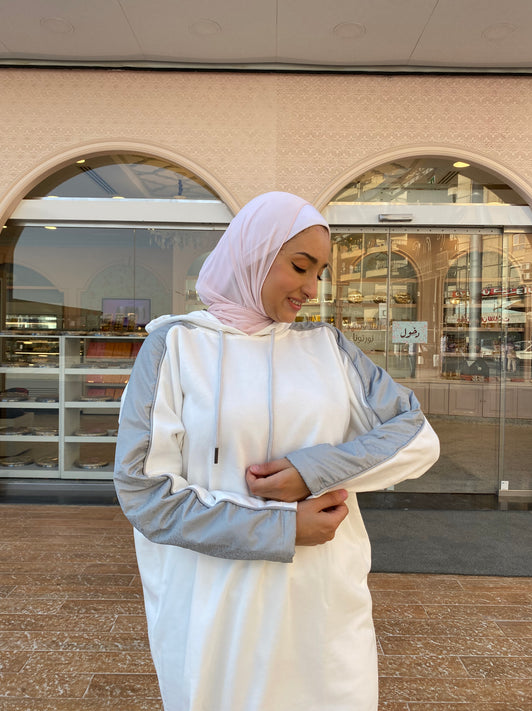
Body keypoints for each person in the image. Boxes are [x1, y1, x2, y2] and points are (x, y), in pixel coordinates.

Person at [114, 191, 440, 711]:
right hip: (216, 608)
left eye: (321, 273)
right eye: (299, 266)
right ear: (254, 254)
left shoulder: (328, 350)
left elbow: (417, 436)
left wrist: (313, 470)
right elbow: (143, 492)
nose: (312, 288)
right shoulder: (176, 347)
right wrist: (283, 527)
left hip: (320, 603)